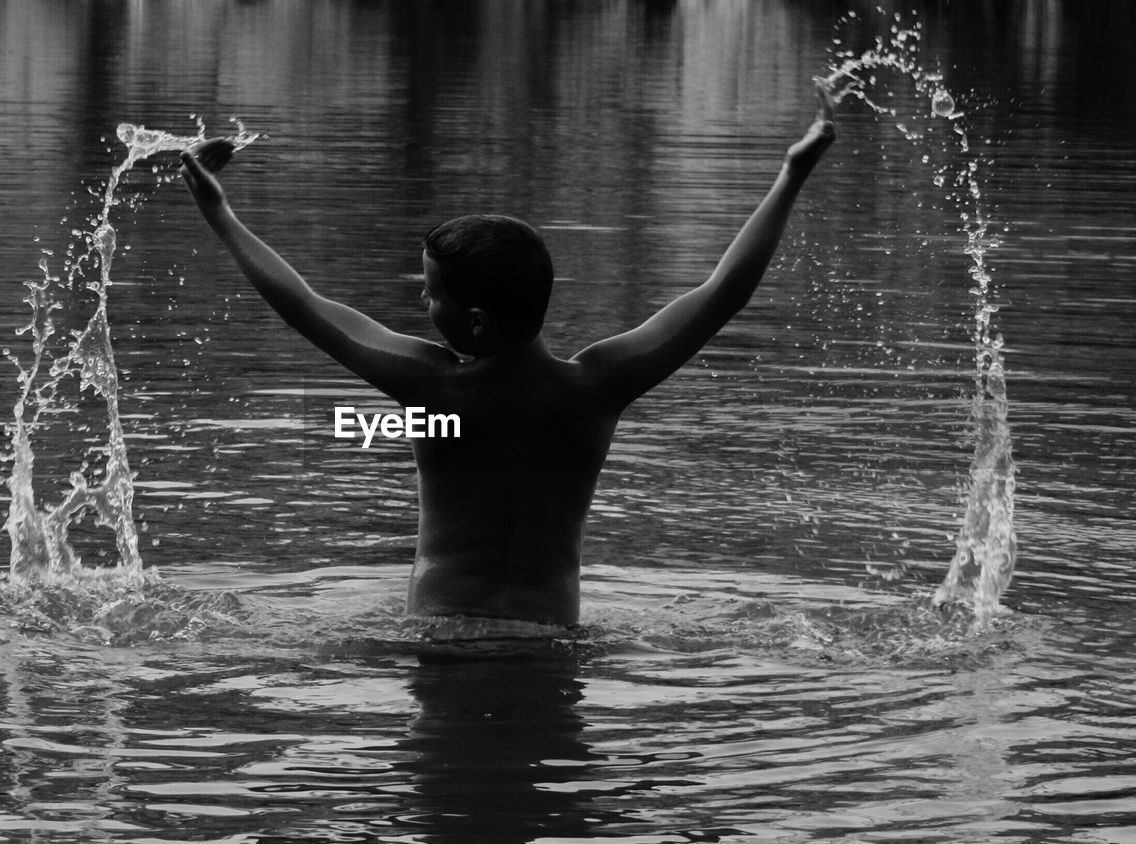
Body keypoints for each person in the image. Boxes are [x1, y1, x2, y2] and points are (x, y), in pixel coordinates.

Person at [180, 84, 835, 630]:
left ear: (475, 320)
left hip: (441, 638)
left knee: (359, 426)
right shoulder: (594, 391)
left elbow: (304, 305)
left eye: (431, 294)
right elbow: (721, 294)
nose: (422, 304)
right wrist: (790, 175)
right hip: (550, 642)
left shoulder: (432, 391)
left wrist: (219, 210)